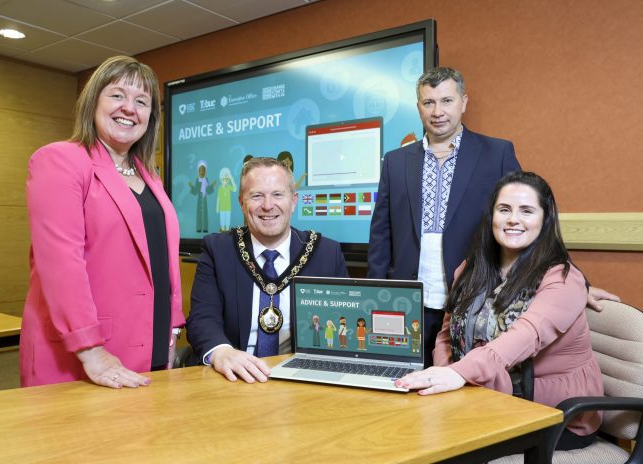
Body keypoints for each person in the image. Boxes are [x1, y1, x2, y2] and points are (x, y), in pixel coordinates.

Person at [368, 66, 618, 367]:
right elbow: (381, 233)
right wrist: (376, 293)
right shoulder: (395, 162)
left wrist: (578, 282)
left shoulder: (496, 152)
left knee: (460, 390)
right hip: (406, 302)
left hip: (471, 300)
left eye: (447, 100)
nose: (438, 111)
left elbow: (530, 220)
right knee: (400, 386)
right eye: (428, 102)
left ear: (464, 102)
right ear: (419, 107)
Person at [395, 171, 604, 450]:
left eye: (526, 211)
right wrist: (444, 379)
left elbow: (524, 336)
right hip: (482, 396)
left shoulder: (563, 279)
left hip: (552, 412)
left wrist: (459, 374)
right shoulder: (472, 269)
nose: (513, 219)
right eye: (504, 209)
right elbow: (447, 334)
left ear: (545, 219)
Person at [19, 56, 184, 388]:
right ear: (93, 101)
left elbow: (162, 257)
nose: (129, 108)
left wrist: (173, 324)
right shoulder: (61, 159)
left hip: (149, 343)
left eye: (142, 101)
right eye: (117, 95)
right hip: (85, 355)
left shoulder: (148, 175)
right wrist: (91, 351)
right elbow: (61, 263)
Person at [186, 157, 348, 383]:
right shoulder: (218, 250)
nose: (268, 205)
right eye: (256, 195)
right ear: (242, 203)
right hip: (235, 377)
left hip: (302, 380)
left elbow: (342, 323)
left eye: (277, 195)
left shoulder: (326, 254)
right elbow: (203, 318)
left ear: (294, 201)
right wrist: (222, 352)